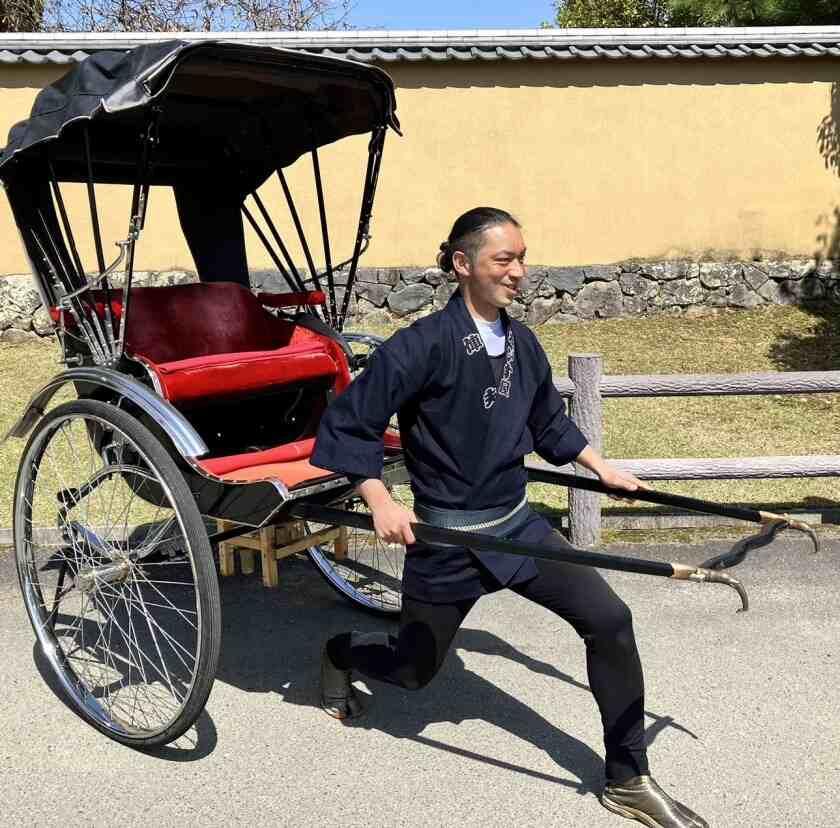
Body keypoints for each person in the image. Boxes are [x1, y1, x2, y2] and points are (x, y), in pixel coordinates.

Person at [311, 207, 708, 828]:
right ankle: (341, 653)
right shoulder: (418, 346)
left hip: (519, 527)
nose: (519, 271)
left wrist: (599, 467)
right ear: (462, 265)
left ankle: (628, 777)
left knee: (610, 619)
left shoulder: (521, 341)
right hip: (447, 540)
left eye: (522, 257)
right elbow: (350, 422)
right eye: (505, 259)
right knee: (414, 673)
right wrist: (379, 497)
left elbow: (548, 421)